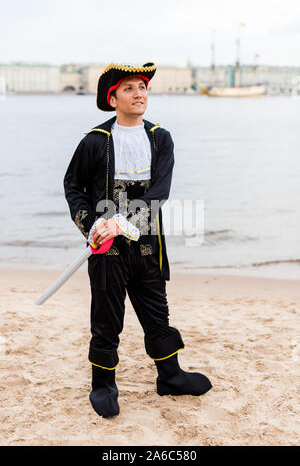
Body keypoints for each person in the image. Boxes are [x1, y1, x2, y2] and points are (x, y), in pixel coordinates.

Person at [64, 62, 212, 418]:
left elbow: (159, 193)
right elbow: (74, 188)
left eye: (143, 87)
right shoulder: (94, 141)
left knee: (157, 313)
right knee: (106, 317)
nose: (139, 94)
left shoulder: (161, 137)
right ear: (112, 98)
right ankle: (103, 384)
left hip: (149, 244)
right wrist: (93, 226)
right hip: (106, 248)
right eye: (129, 88)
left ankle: (170, 375)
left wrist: (123, 222)